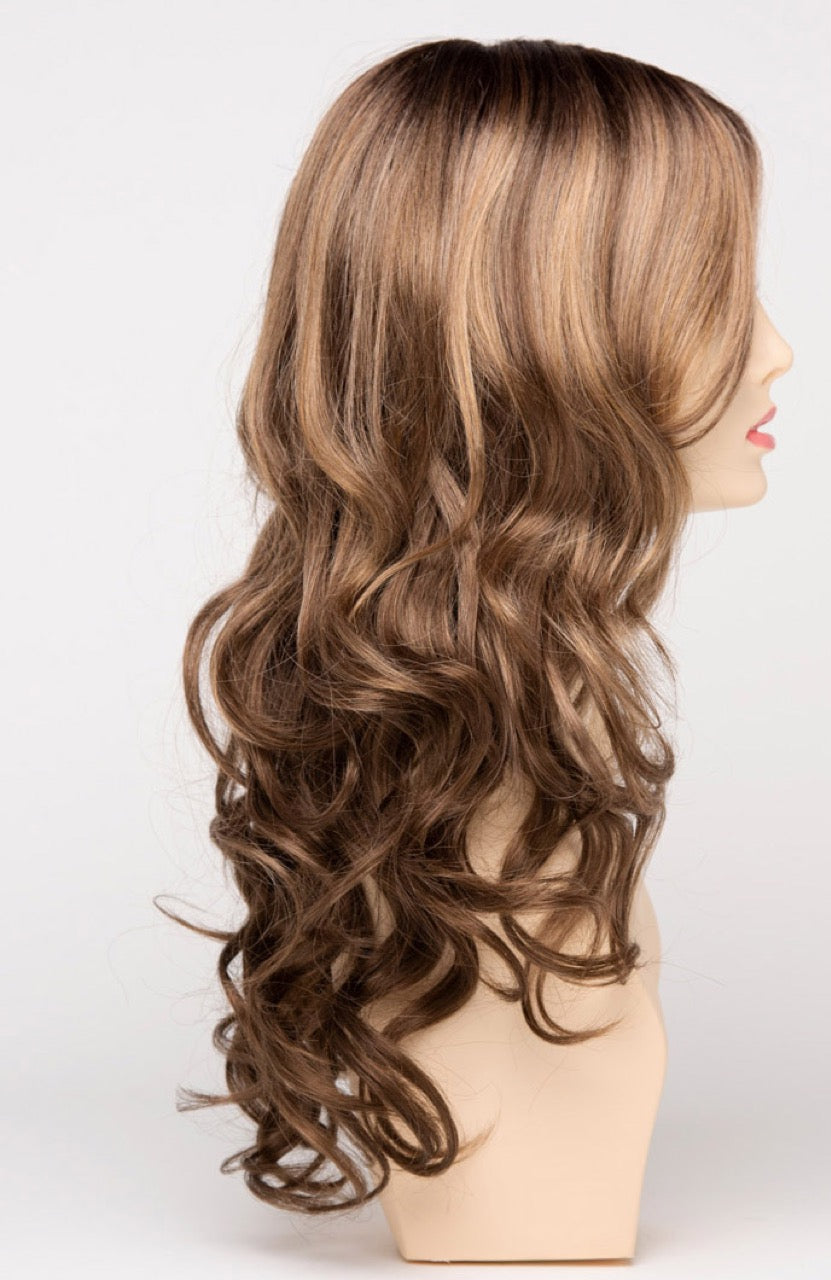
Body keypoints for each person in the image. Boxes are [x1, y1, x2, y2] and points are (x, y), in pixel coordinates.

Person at [166, 35, 793, 1264]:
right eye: (718, 296)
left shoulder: (513, 746)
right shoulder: (500, 789)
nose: (775, 349)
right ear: (545, 339)